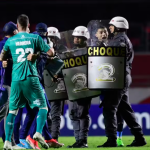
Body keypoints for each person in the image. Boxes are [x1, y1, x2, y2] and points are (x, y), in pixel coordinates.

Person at [0, 14, 54, 150]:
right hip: (31, 78)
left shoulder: (10, 41)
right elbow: (51, 53)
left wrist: (5, 60)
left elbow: (2, 56)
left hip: (16, 80)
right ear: (29, 25)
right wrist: (36, 55)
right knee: (43, 107)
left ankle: (7, 142)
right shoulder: (35, 38)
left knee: (12, 111)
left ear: (17, 26)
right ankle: (37, 133)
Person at [97, 16, 147, 147]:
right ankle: (139, 137)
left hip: (118, 77)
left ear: (118, 27)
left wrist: (103, 47)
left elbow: (112, 57)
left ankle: (112, 139)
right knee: (125, 109)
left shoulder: (119, 41)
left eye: (112, 26)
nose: (110, 28)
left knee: (109, 108)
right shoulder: (123, 39)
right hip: (123, 76)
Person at [18, 23, 63, 149]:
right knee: (43, 108)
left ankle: (24, 139)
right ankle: (31, 137)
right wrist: (50, 55)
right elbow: (47, 53)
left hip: (22, 80)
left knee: (33, 112)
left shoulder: (26, 40)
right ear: (46, 33)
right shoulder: (42, 40)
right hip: (33, 80)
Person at [0, 21, 27, 150]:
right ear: (15, 32)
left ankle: (9, 142)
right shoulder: (11, 44)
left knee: (4, 112)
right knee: (10, 111)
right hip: (8, 82)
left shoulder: (1, 44)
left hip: (4, 83)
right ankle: (10, 143)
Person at [67, 26, 91, 148]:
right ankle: (78, 140)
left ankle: (83, 140)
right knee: (72, 113)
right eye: (75, 37)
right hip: (73, 87)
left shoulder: (90, 52)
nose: (75, 39)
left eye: (78, 37)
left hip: (85, 87)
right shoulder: (71, 52)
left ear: (84, 38)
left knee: (82, 113)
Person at [46, 27, 67, 141]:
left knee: (55, 114)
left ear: (57, 38)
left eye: (53, 37)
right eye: (49, 37)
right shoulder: (43, 48)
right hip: (45, 85)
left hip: (59, 85)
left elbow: (66, 67)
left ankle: (54, 138)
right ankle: (47, 137)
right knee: (45, 113)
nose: (51, 39)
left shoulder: (63, 49)